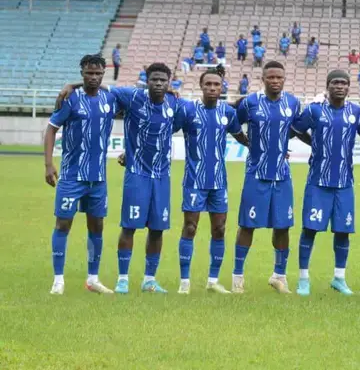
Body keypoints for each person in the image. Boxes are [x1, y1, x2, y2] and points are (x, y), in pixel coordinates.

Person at [58, 63, 182, 294]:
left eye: (163, 80)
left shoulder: (174, 103)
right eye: (154, 79)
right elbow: (98, 85)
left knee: (157, 229)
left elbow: (174, 126)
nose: (158, 83)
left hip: (162, 176)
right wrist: (72, 85)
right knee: (129, 226)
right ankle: (122, 279)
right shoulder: (132, 96)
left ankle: (149, 280)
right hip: (136, 175)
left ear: (169, 82)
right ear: (146, 81)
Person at [291, 70, 360, 296]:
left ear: (348, 87)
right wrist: (313, 142)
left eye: (344, 83)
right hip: (318, 182)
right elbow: (295, 130)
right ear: (327, 86)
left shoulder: (355, 112)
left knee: (343, 231)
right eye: (335, 82)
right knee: (310, 229)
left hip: (344, 183)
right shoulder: (314, 110)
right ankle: (303, 280)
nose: (340, 86)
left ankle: (339, 278)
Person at [44, 54, 117, 295]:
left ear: (103, 74)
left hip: (98, 178)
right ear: (82, 73)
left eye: (98, 73)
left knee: (97, 226)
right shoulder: (71, 99)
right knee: (63, 223)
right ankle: (58, 280)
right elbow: (51, 129)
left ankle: (92, 279)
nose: (93, 77)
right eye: (89, 73)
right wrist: (48, 164)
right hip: (71, 176)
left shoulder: (110, 98)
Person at [173, 69, 247, 294]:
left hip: (219, 181)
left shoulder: (228, 113)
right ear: (201, 86)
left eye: (217, 84)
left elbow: (241, 137)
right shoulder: (188, 110)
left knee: (220, 229)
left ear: (222, 86)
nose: (213, 88)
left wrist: (265, 150)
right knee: (190, 227)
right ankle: (184, 282)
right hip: (194, 180)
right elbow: (166, 129)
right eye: (208, 84)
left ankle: (213, 281)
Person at [232, 61, 302, 294]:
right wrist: (247, 142)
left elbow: (296, 128)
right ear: (262, 79)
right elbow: (233, 123)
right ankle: (237, 277)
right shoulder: (250, 102)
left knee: (283, 226)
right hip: (256, 174)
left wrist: (280, 145)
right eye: (270, 77)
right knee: (247, 225)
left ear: (284, 79)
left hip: (282, 175)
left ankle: (279, 276)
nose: (275, 81)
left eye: (279, 77)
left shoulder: (292, 103)